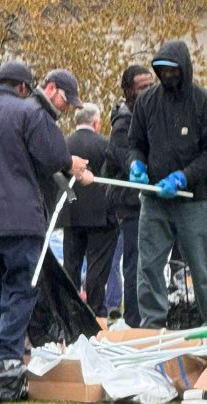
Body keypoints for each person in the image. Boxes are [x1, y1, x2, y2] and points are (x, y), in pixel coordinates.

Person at [0, 61, 90, 368]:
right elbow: (53, 156)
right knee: (20, 287)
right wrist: (72, 164)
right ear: (25, 87)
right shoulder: (31, 114)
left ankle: (1, 353)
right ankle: (8, 357)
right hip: (21, 219)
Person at [128, 40, 207, 328]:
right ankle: (152, 327)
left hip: (193, 201)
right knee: (149, 268)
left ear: (184, 69)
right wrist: (136, 163)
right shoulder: (147, 102)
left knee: (203, 269)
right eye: (163, 70)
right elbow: (135, 143)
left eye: (174, 70)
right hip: (155, 200)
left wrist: (184, 176)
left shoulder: (205, 103)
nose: (169, 75)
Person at [101, 64, 154, 327]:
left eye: (151, 84)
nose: (149, 90)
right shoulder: (123, 124)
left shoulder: (150, 116)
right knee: (134, 264)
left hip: (149, 202)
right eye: (142, 87)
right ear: (128, 91)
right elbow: (126, 159)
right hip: (132, 205)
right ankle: (134, 320)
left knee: (149, 265)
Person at [59, 102, 118, 318]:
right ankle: (95, 310)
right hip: (101, 216)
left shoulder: (63, 146)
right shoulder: (105, 144)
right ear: (96, 122)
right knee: (97, 265)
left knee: (71, 265)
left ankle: (71, 311)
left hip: (71, 215)